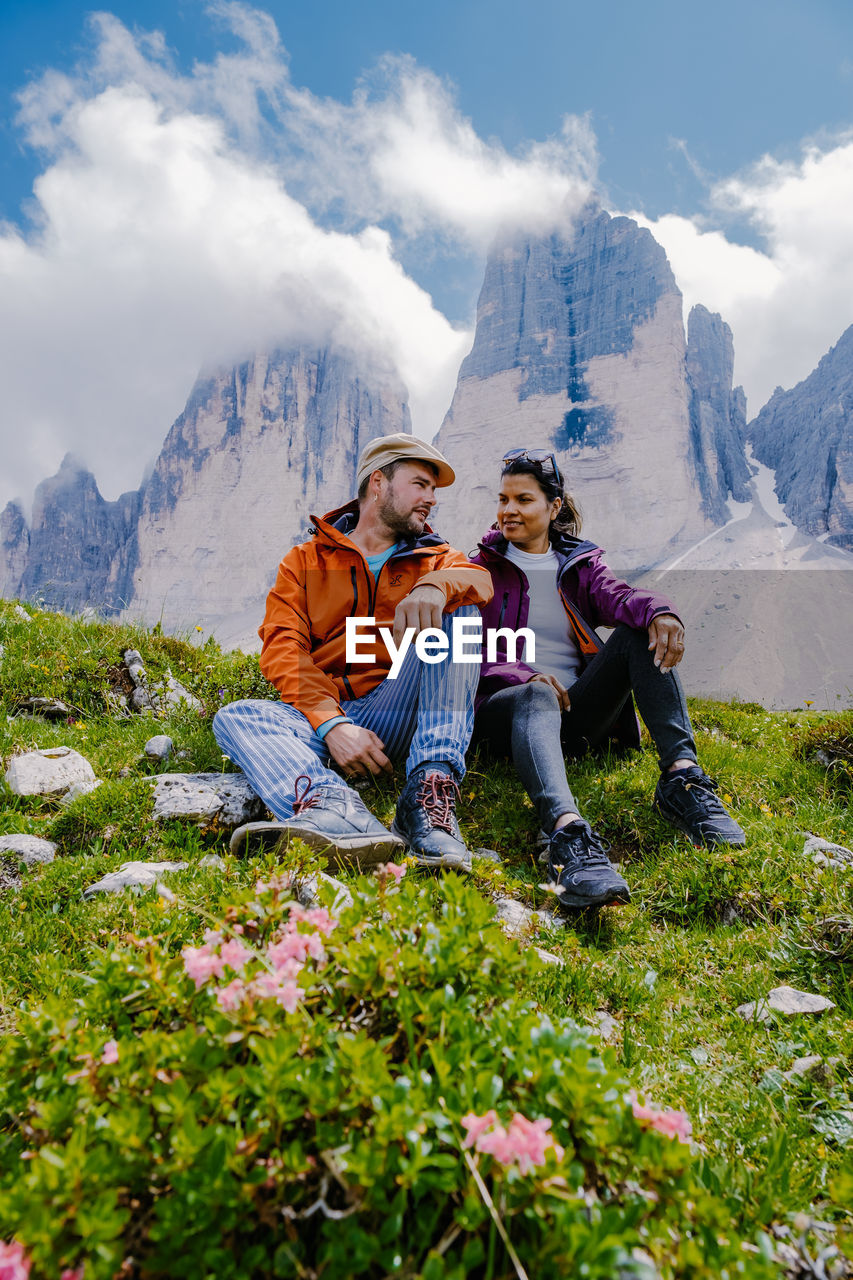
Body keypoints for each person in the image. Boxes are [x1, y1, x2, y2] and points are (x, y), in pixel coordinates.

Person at [470, 448, 745, 909]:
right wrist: (527, 675)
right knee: (535, 695)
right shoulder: (477, 570)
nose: (508, 510)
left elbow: (618, 597)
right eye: (503, 499)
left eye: (523, 499)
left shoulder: (578, 563)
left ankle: (683, 780)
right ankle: (566, 836)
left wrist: (659, 609)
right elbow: (466, 651)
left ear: (553, 507)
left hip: (575, 715)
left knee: (639, 632)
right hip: (506, 711)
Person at [216, 433, 493, 871]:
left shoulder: (437, 557)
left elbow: (479, 582)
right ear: (379, 483)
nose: (431, 500)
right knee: (237, 716)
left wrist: (435, 585)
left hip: (396, 709)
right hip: (325, 717)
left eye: (434, 491)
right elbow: (283, 647)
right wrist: (333, 725)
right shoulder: (304, 561)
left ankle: (428, 800)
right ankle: (337, 810)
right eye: (421, 485)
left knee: (460, 616)